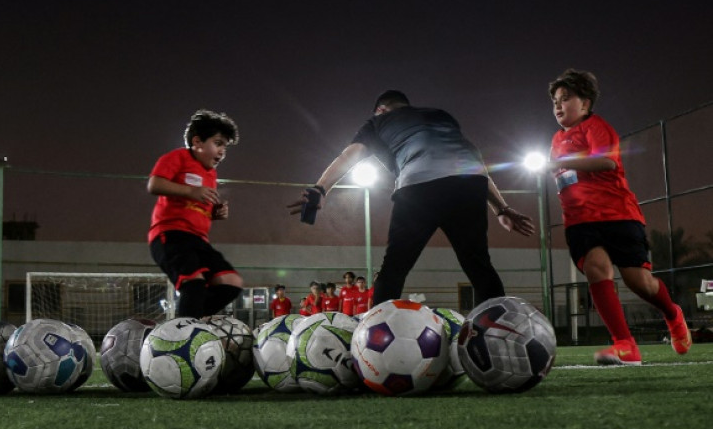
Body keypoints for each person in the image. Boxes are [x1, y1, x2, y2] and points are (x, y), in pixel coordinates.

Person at [290, 90, 535, 307]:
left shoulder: (377, 121)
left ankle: (374, 343)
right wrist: (501, 208)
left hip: (420, 186)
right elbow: (473, 159)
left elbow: (350, 155)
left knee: (394, 268)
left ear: (380, 109)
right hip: (469, 185)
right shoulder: (441, 114)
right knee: (479, 266)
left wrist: (321, 189)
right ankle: (498, 337)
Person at [546, 69, 691, 365]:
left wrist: (564, 162)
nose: (558, 106)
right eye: (554, 102)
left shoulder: (596, 126)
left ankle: (672, 314)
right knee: (597, 269)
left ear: (585, 104)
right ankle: (625, 346)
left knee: (640, 283)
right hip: (580, 221)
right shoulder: (556, 139)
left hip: (618, 215)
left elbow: (607, 162)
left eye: (565, 99)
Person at [147, 109, 243, 318]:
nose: (222, 151)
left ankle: (186, 323)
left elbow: (199, 207)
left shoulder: (211, 174)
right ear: (197, 142)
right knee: (194, 283)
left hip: (198, 240)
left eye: (225, 147)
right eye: (218, 143)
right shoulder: (178, 157)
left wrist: (214, 213)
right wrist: (192, 191)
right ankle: (184, 335)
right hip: (171, 235)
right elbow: (154, 184)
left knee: (231, 283)